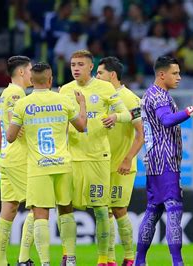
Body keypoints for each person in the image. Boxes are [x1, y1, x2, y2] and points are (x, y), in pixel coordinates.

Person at [135, 56, 193, 266]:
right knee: (174, 209)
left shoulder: (154, 94)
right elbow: (167, 120)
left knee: (153, 209)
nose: (179, 78)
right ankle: (177, 262)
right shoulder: (160, 97)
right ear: (161, 74)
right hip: (165, 160)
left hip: (155, 159)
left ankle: (139, 261)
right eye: (175, 73)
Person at [6, 62, 87, 266]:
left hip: (38, 167)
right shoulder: (64, 101)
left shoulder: (22, 104)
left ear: (31, 81)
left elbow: (10, 137)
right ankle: (70, 259)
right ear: (51, 80)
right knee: (66, 211)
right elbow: (82, 126)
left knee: (40, 215)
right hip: (63, 164)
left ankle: (45, 263)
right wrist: (82, 105)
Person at [59, 49, 132, 266]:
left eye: (80, 64)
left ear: (91, 67)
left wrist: (115, 116)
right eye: (73, 65)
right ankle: (69, 256)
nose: (76, 68)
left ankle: (103, 260)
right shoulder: (64, 90)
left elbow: (128, 115)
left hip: (98, 158)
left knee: (101, 210)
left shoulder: (105, 88)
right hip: (72, 158)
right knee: (65, 206)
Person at [96, 56, 144, 266]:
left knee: (119, 210)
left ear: (112, 75)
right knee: (103, 213)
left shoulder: (130, 98)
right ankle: (110, 260)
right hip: (101, 165)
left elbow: (141, 134)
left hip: (122, 167)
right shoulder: (98, 97)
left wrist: (127, 159)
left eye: (100, 73)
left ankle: (130, 257)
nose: (96, 77)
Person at [0, 55, 35, 266]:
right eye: (30, 70)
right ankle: (24, 259)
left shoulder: (7, 93)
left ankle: (1, 262)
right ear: (21, 72)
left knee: (9, 210)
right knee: (37, 206)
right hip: (18, 158)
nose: (32, 74)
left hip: (7, 157)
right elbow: (15, 125)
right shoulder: (15, 94)